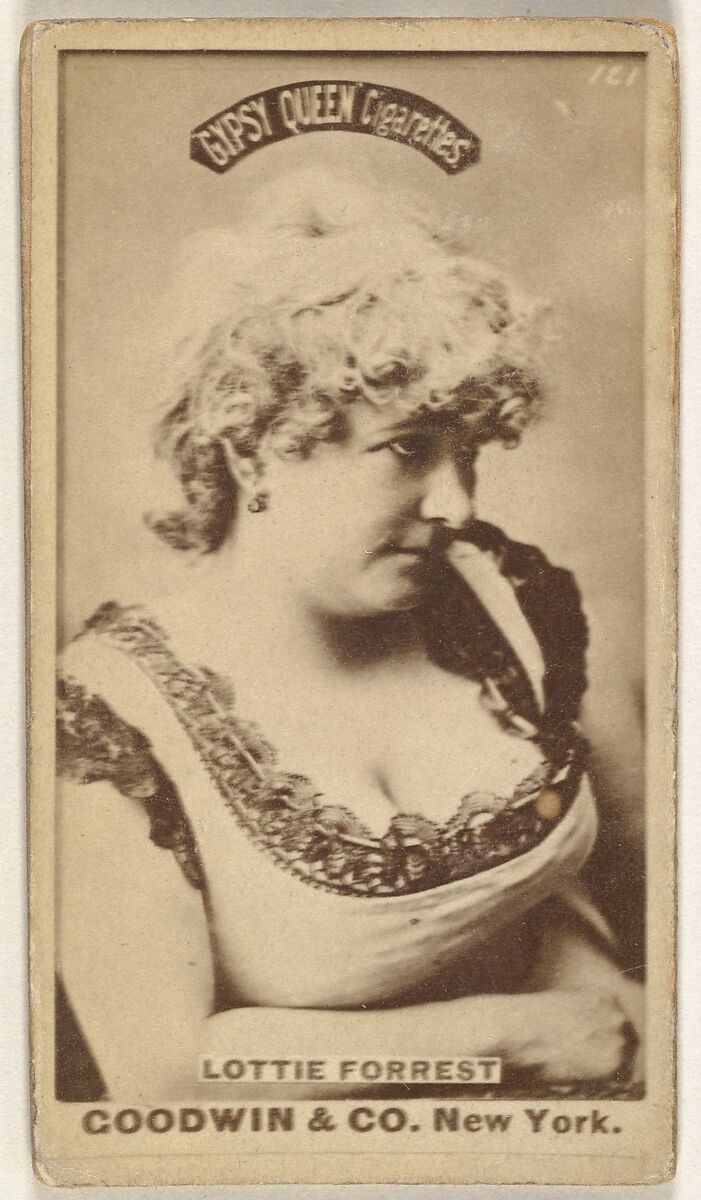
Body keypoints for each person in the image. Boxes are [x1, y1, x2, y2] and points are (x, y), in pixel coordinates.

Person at [56, 177, 644, 1103]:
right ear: (254, 445)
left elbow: (651, 885)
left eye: (467, 453)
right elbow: (162, 1077)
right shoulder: (106, 717)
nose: (455, 505)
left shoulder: (514, 601)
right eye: (407, 449)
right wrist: (514, 1038)